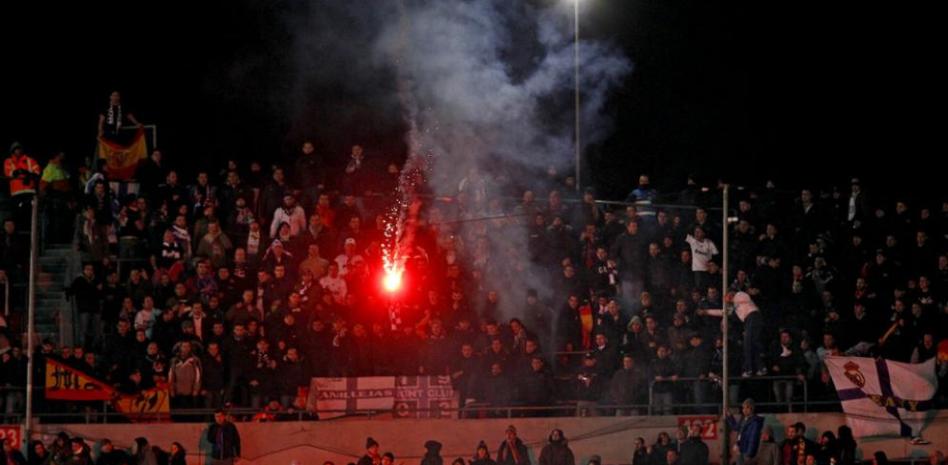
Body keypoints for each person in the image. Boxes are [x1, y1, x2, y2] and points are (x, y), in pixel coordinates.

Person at [726, 399, 764, 465]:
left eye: (747, 407)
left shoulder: (755, 422)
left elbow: (753, 439)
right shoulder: (744, 419)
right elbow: (736, 427)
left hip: (746, 452)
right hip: (740, 449)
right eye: (743, 408)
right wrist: (730, 417)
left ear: (752, 408)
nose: (744, 410)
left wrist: (749, 454)